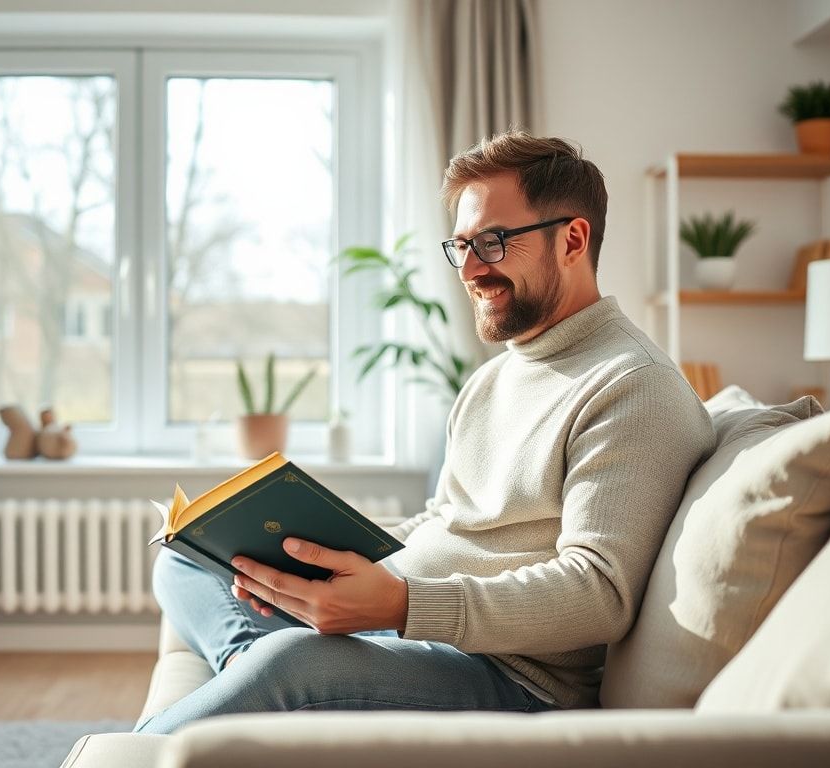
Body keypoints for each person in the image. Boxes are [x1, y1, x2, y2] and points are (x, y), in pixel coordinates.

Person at [133, 131, 715, 734]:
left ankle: (208, 714)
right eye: (460, 245)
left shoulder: (631, 387)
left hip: (509, 677)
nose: (467, 269)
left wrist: (401, 604)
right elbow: (443, 520)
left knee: (286, 661)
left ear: (572, 240)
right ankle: (251, 693)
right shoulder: (495, 378)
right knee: (189, 561)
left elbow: (599, 592)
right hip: (410, 625)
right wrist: (317, 558)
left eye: (491, 242)